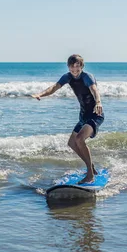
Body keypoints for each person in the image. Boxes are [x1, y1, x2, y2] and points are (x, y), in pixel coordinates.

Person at [32, 54, 104, 184]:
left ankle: (90, 174)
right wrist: (40, 94)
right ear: (68, 67)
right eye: (72, 66)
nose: (75, 69)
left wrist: (98, 102)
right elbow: (54, 87)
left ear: (82, 66)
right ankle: (91, 167)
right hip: (83, 116)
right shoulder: (68, 77)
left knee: (79, 139)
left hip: (95, 113)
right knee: (71, 143)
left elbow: (94, 90)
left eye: (78, 66)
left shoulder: (87, 77)